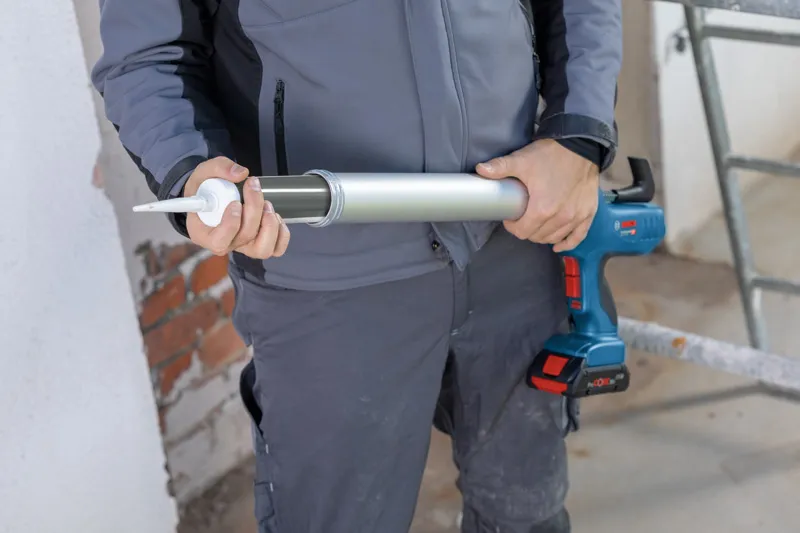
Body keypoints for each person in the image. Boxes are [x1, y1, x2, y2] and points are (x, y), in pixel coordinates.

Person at [92, 0, 621, 531]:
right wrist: (189, 166)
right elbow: (147, 54)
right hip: (328, 272)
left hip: (516, 229)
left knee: (526, 507)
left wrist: (577, 135)